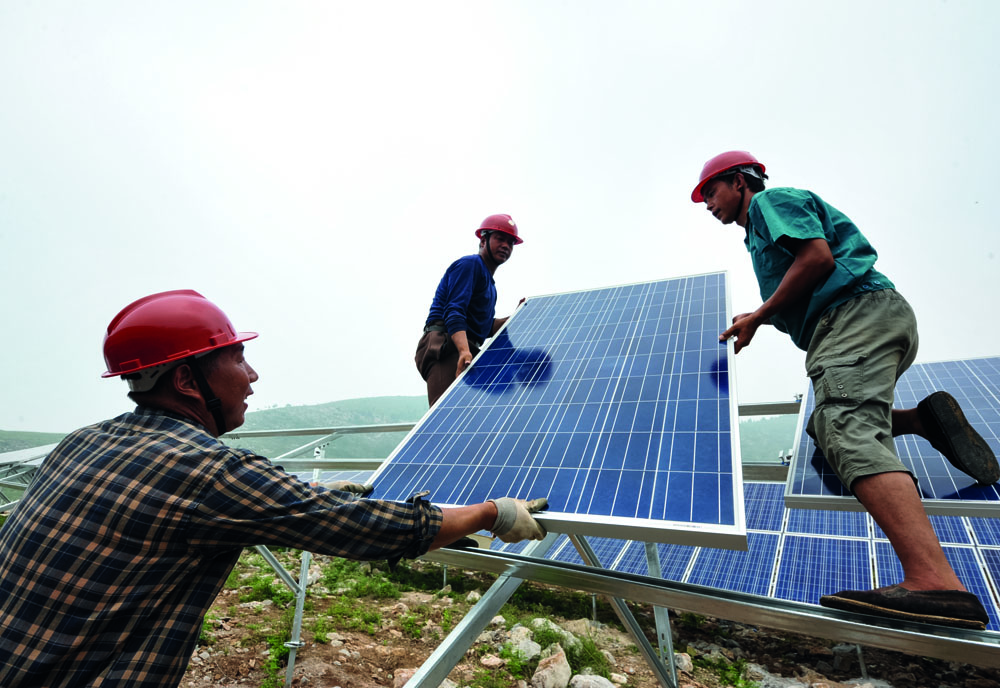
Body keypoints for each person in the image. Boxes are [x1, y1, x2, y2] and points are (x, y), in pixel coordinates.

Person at [0, 289, 548, 687]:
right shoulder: (209, 474)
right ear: (188, 381)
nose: (252, 375)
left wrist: (325, 491)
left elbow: (278, 502)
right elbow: (367, 531)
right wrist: (489, 514)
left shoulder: (81, 441)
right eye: (237, 357)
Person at [692, 151, 998, 630]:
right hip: (862, 320)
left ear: (738, 182)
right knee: (821, 425)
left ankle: (936, 581)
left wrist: (759, 314)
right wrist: (761, 316)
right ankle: (921, 421)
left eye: (710, 191)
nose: (707, 204)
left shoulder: (772, 202)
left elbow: (818, 258)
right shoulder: (759, 234)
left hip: (853, 316)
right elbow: (805, 277)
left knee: (844, 425)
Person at [415, 213, 522, 406]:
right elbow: (454, 311)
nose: (506, 245)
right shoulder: (470, 265)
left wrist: (519, 316)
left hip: (467, 348)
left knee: (473, 416)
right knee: (446, 418)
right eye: (500, 238)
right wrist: (464, 350)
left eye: (510, 242)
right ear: (483, 241)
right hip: (447, 347)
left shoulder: (491, 285)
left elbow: (486, 327)